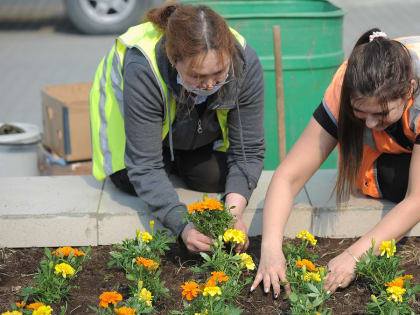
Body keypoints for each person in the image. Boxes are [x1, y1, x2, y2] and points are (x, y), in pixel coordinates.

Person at [251, 28, 420, 298]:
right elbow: (288, 176)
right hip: (391, 152)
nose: (371, 124)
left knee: (403, 184)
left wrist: (354, 256)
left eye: (381, 114)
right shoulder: (344, 85)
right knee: (388, 178)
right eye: (359, 113)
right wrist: (270, 249)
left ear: (409, 90)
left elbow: (416, 200)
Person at [89, 2, 265, 253]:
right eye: (197, 76)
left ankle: (178, 162)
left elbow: (249, 148)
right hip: (133, 146)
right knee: (133, 182)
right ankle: (170, 165)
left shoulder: (244, 60)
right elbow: (145, 165)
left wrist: (233, 216)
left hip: (190, 133)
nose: (209, 85)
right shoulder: (142, 64)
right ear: (173, 59)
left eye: (218, 73)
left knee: (216, 179)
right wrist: (183, 226)